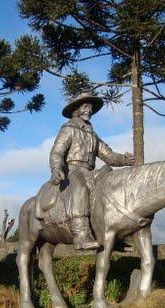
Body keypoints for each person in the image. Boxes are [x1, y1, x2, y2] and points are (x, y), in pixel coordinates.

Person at [50, 92, 135, 250]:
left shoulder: (93, 135)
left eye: (90, 107)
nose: (88, 110)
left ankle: (111, 234)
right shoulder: (68, 129)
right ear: (76, 110)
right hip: (72, 170)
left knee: (109, 180)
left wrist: (124, 160)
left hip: (90, 170)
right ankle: (81, 234)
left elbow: (108, 156)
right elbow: (57, 152)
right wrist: (56, 168)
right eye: (85, 106)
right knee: (80, 188)